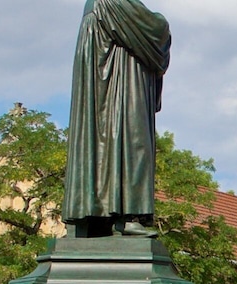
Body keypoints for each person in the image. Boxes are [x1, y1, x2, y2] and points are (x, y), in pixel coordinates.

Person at [64, 0, 170, 238]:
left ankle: (92, 217)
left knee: (99, 145)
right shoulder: (113, 2)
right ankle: (128, 215)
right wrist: (163, 23)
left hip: (105, 90)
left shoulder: (96, 5)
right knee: (134, 140)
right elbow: (154, 29)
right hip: (123, 85)